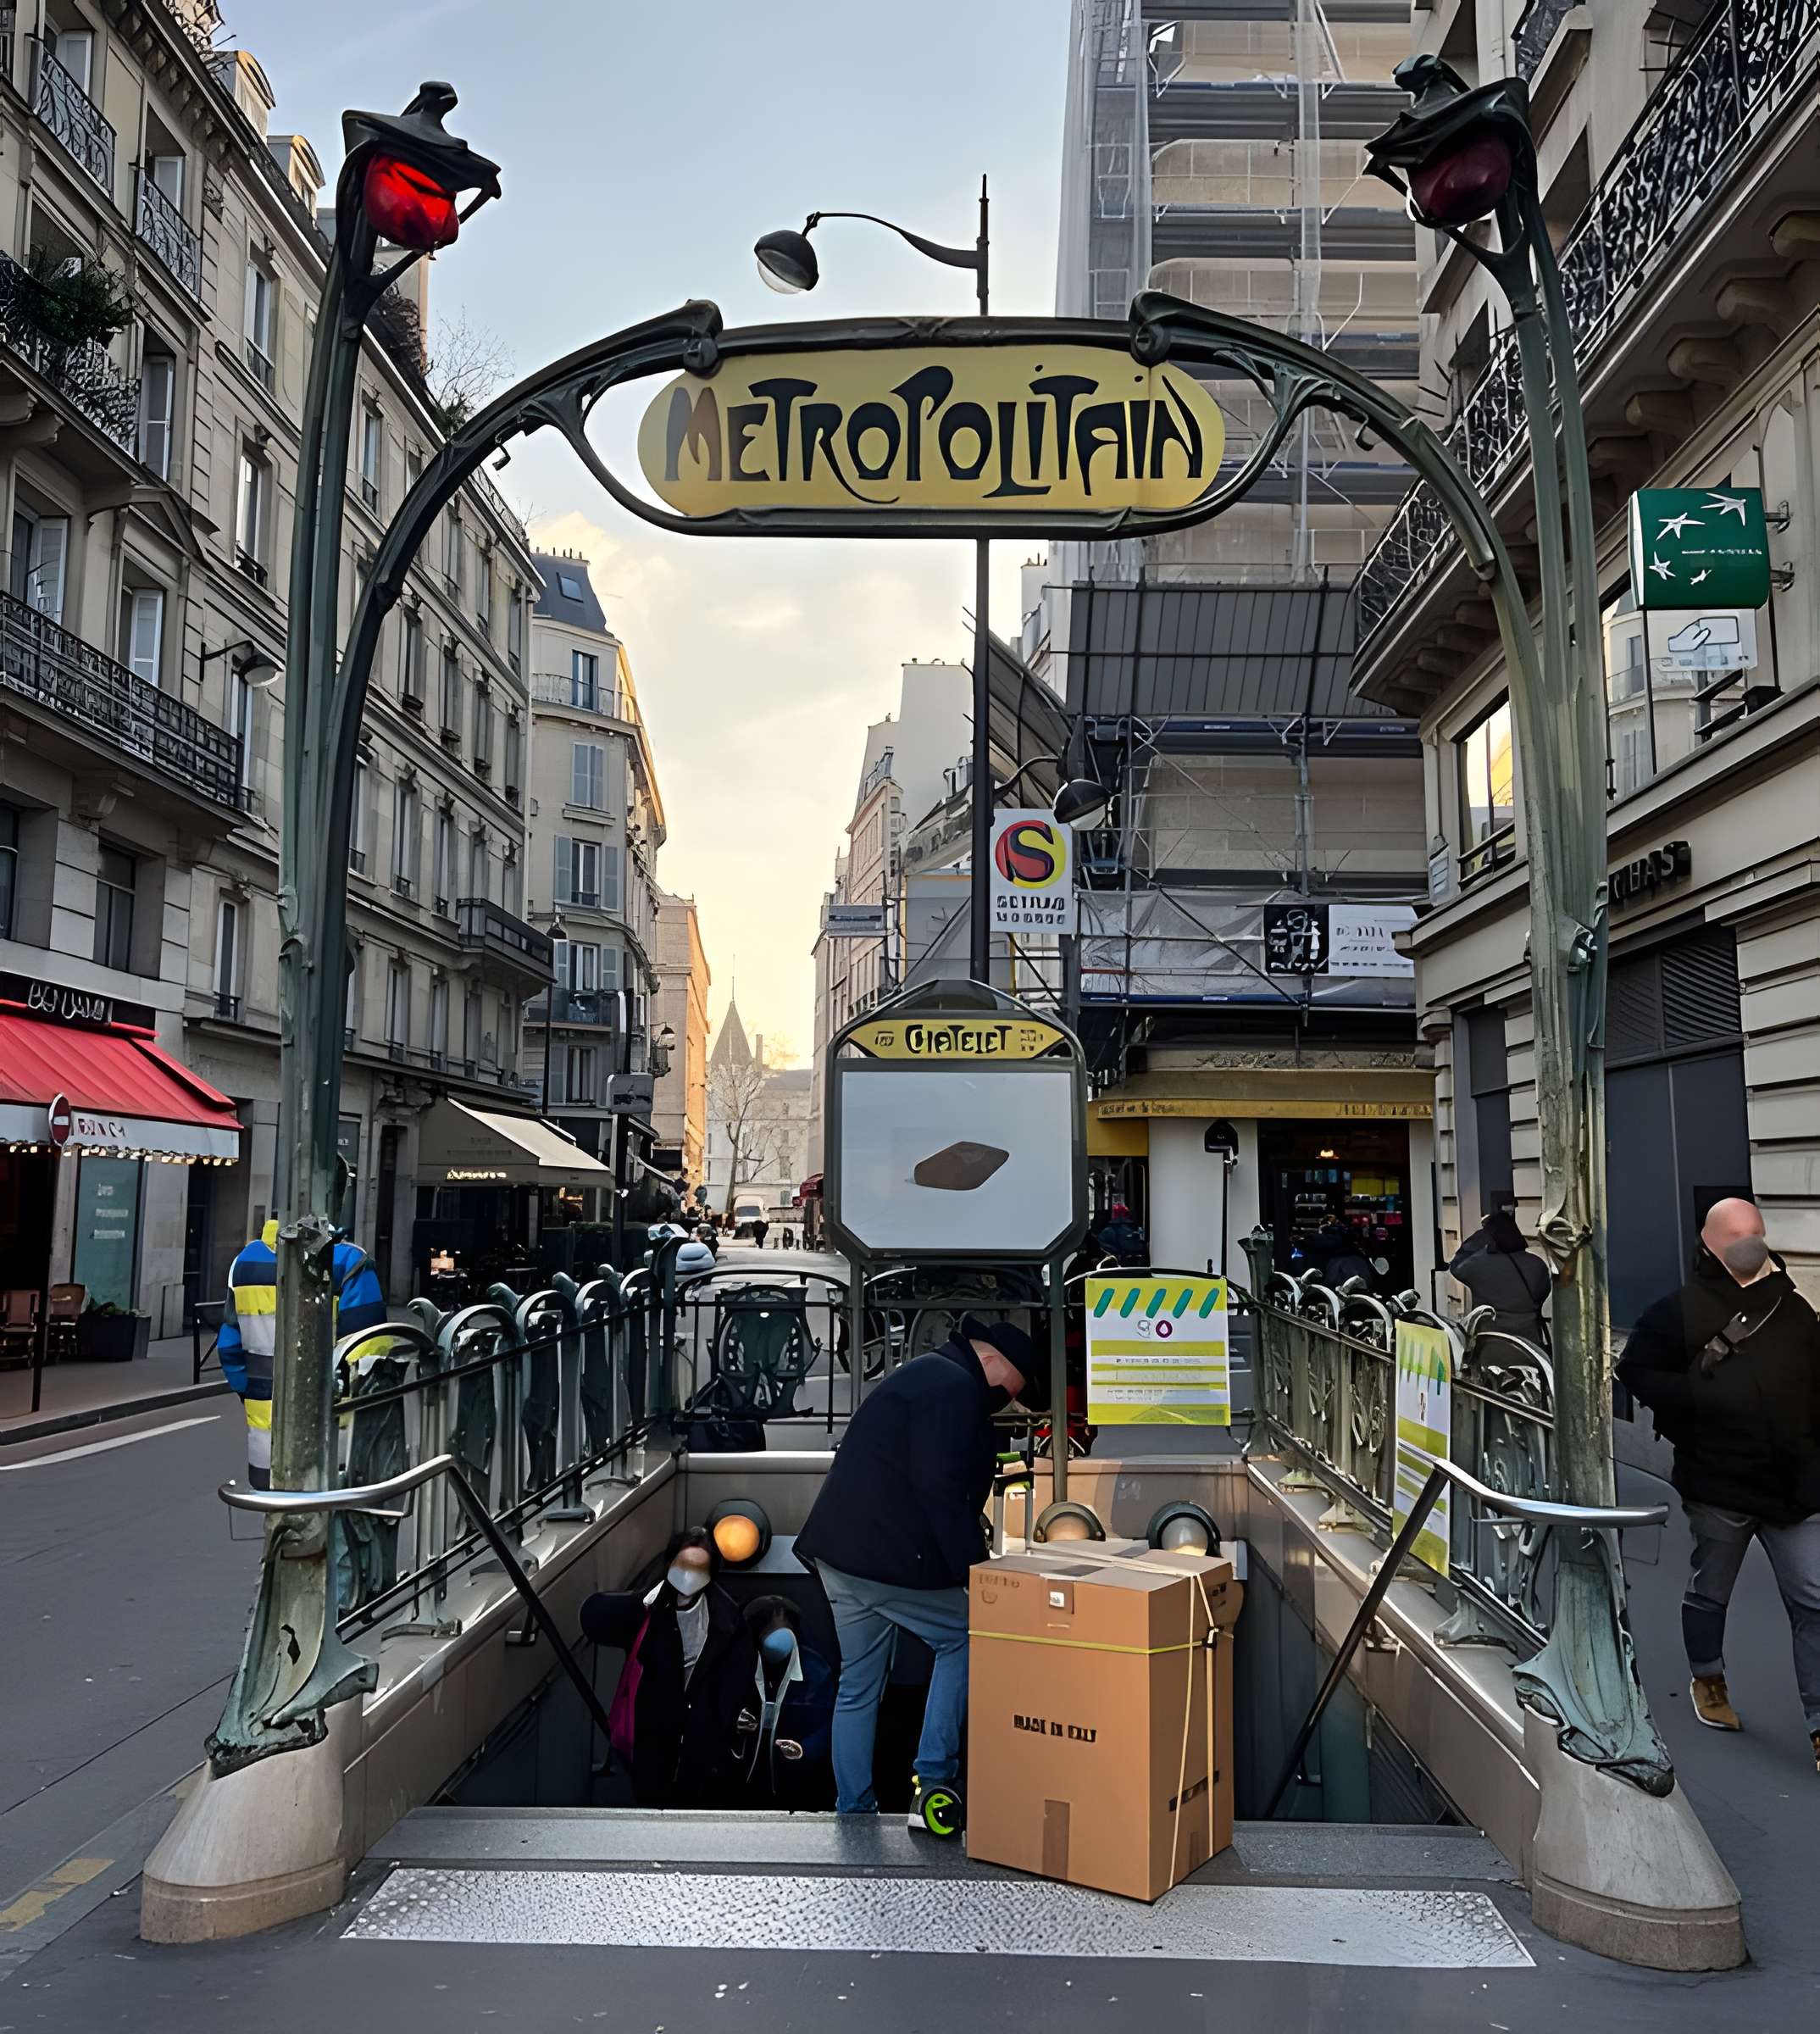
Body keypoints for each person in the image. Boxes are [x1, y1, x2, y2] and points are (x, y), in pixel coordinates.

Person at [795, 1314, 1044, 1825]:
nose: (1011, 1401)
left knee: (858, 1686)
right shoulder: (953, 1389)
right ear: (993, 1360)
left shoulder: (927, 1374)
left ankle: (855, 1810)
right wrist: (977, 1575)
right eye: (1014, 1389)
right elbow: (940, 1490)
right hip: (884, 1561)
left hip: (842, 1558)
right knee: (968, 1635)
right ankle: (933, 1780)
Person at [1617, 1198, 1820, 1770]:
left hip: (1796, 1486)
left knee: (1814, 1598)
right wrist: (1702, 1403)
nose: (1748, 1240)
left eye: (1755, 1230)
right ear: (1708, 1242)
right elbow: (1636, 1371)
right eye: (1735, 1233)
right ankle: (1708, 1679)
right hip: (1719, 1482)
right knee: (1713, 1589)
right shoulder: (1677, 1312)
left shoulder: (1792, 1308)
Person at [581, 1527, 757, 1806]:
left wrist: (727, 1721)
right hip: (653, 1733)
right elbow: (599, 1617)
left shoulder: (727, 1620)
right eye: (684, 1565)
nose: (689, 1575)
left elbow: (736, 1679)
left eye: (699, 1568)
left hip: (702, 1739)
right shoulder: (648, 1608)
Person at [217, 1217, 389, 1490]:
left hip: (266, 1436)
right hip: (336, 1436)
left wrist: (254, 1394)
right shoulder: (349, 1261)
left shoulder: (244, 1262)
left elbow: (229, 1348)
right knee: (334, 1518)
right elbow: (369, 1354)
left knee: (279, 1517)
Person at [736, 1595, 836, 1807]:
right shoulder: (734, 1665)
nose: (781, 1632)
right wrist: (732, 1723)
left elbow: (828, 1724)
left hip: (796, 1784)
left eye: (786, 1622)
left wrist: (805, 1749)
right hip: (738, 1780)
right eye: (771, 1624)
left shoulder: (815, 1669)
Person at [1451, 1199, 1552, 1348]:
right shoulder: (1536, 1264)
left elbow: (1456, 1267)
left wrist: (1482, 1235)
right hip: (1528, 1343)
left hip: (1491, 1342)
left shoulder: (1478, 1264)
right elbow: (1542, 1294)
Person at [1096, 1201, 1148, 1265]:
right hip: (1136, 1263)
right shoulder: (1136, 1230)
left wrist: (1116, 1252)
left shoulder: (1107, 1231)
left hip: (1117, 1264)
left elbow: (1101, 1244)